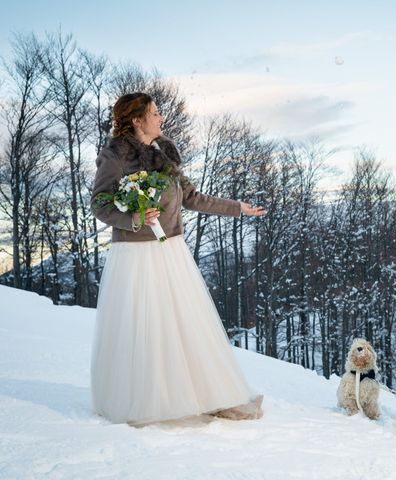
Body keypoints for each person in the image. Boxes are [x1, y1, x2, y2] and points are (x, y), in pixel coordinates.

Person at [90, 92, 267, 425]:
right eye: (155, 113)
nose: (161, 118)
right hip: (135, 255)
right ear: (136, 119)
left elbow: (192, 197)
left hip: (170, 250)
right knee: (147, 326)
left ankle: (198, 394)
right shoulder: (114, 155)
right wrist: (134, 218)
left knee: (182, 324)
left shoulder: (162, 154)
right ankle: (148, 399)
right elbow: (100, 203)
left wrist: (237, 208)